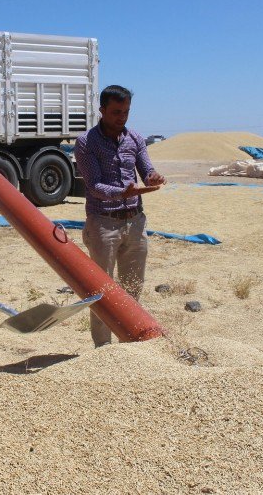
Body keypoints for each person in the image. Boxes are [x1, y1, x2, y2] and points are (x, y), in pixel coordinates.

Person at [75, 85, 165, 347]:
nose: (121, 117)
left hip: (135, 222)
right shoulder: (86, 143)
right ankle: (102, 352)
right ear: (101, 110)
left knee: (133, 287)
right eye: (116, 112)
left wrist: (153, 177)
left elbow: (146, 170)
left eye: (126, 112)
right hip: (104, 223)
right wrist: (122, 193)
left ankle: (132, 346)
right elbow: (94, 186)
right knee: (101, 291)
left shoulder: (135, 138)